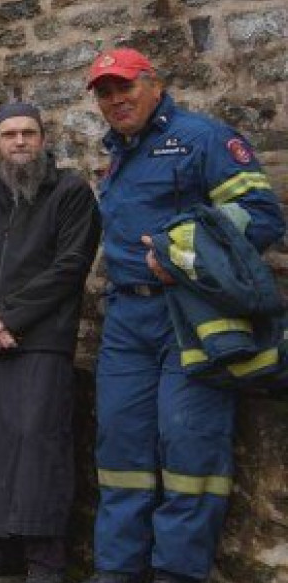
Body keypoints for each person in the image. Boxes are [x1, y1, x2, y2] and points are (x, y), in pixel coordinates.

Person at [83, 49, 283, 583]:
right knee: (120, 447)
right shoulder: (118, 154)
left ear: (155, 83)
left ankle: (177, 572)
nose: (115, 99)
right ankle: (117, 571)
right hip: (126, 316)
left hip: (189, 318)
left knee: (189, 446)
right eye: (104, 92)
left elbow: (261, 216)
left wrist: (179, 254)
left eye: (124, 86)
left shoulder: (204, 138)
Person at [0, 103, 102, 583]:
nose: (19, 142)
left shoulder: (71, 192)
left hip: (40, 341)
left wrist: (8, 316)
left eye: (28, 133)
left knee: (38, 448)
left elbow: (69, 265)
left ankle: (44, 560)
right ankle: (2, 549)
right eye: (9, 134)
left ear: (42, 138)